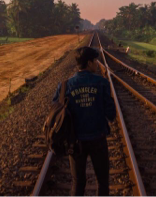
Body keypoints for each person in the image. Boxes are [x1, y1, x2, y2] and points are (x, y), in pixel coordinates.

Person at [52, 46, 116, 197]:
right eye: (95, 61)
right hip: (98, 139)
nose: (97, 64)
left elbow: (56, 109)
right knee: (102, 181)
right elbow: (111, 114)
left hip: (75, 142)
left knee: (78, 181)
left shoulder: (64, 85)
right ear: (89, 63)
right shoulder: (102, 83)